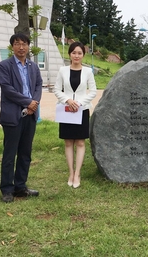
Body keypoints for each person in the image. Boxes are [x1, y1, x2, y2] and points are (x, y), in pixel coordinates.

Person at [0, 33, 43, 203]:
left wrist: (34, 103)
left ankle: (20, 187)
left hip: (30, 116)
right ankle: (7, 189)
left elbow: (38, 85)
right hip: (13, 116)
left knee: (25, 152)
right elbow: (7, 90)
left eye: (24, 44)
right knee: (10, 154)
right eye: (17, 44)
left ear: (28, 46)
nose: (21, 47)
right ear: (12, 46)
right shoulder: (4, 66)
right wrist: (28, 102)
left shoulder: (33, 66)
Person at [55, 41, 97, 188]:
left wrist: (78, 102)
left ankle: (78, 173)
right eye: (74, 53)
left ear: (83, 55)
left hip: (81, 109)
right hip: (66, 109)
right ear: (69, 54)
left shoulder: (88, 72)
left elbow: (93, 91)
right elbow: (56, 89)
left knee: (80, 142)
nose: (76, 56)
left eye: (79, 53)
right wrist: (67, 100)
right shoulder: (62, 70)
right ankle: (71, 172)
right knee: (68, 142)